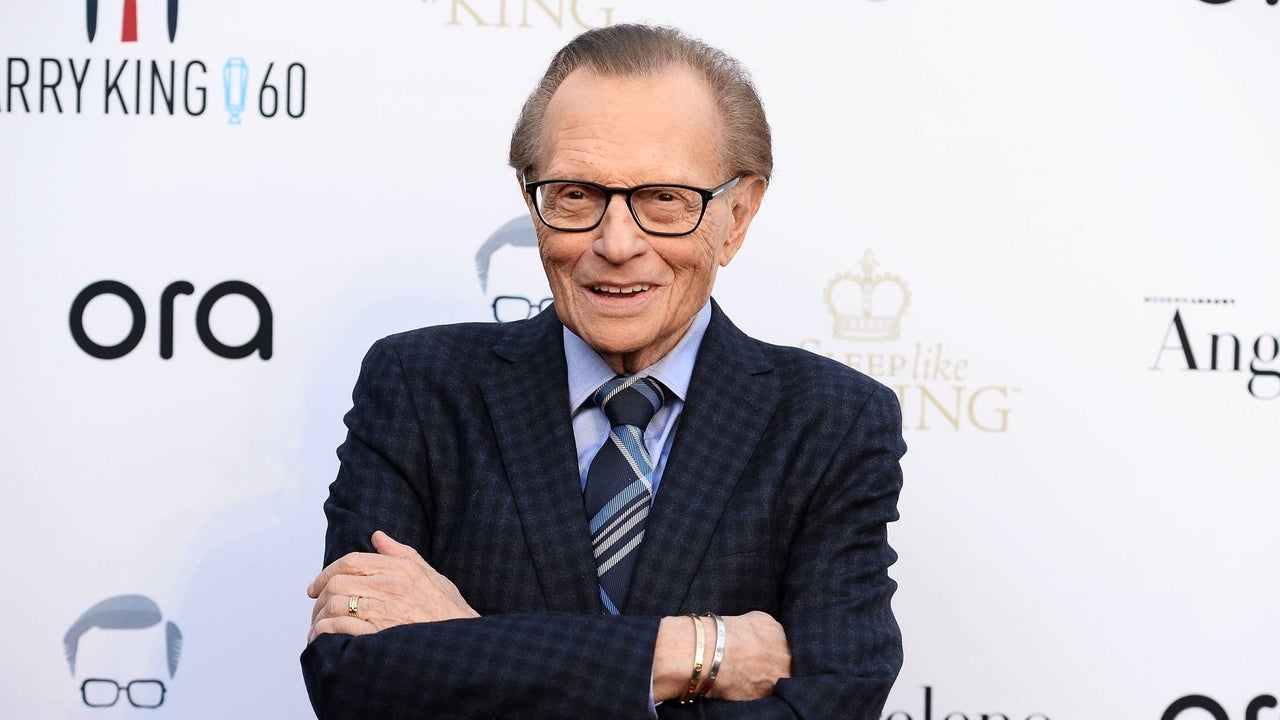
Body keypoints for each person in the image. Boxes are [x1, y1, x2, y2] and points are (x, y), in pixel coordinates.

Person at [302, 24, 905, 719]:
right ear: (532, 203)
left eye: (665, 199)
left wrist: (471, 642)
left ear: (737, 216)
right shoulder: (419, 387)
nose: (617, 244)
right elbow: (353, 681)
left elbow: (829, 706)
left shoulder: (832, 422)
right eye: (576, 194)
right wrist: (688, 652)